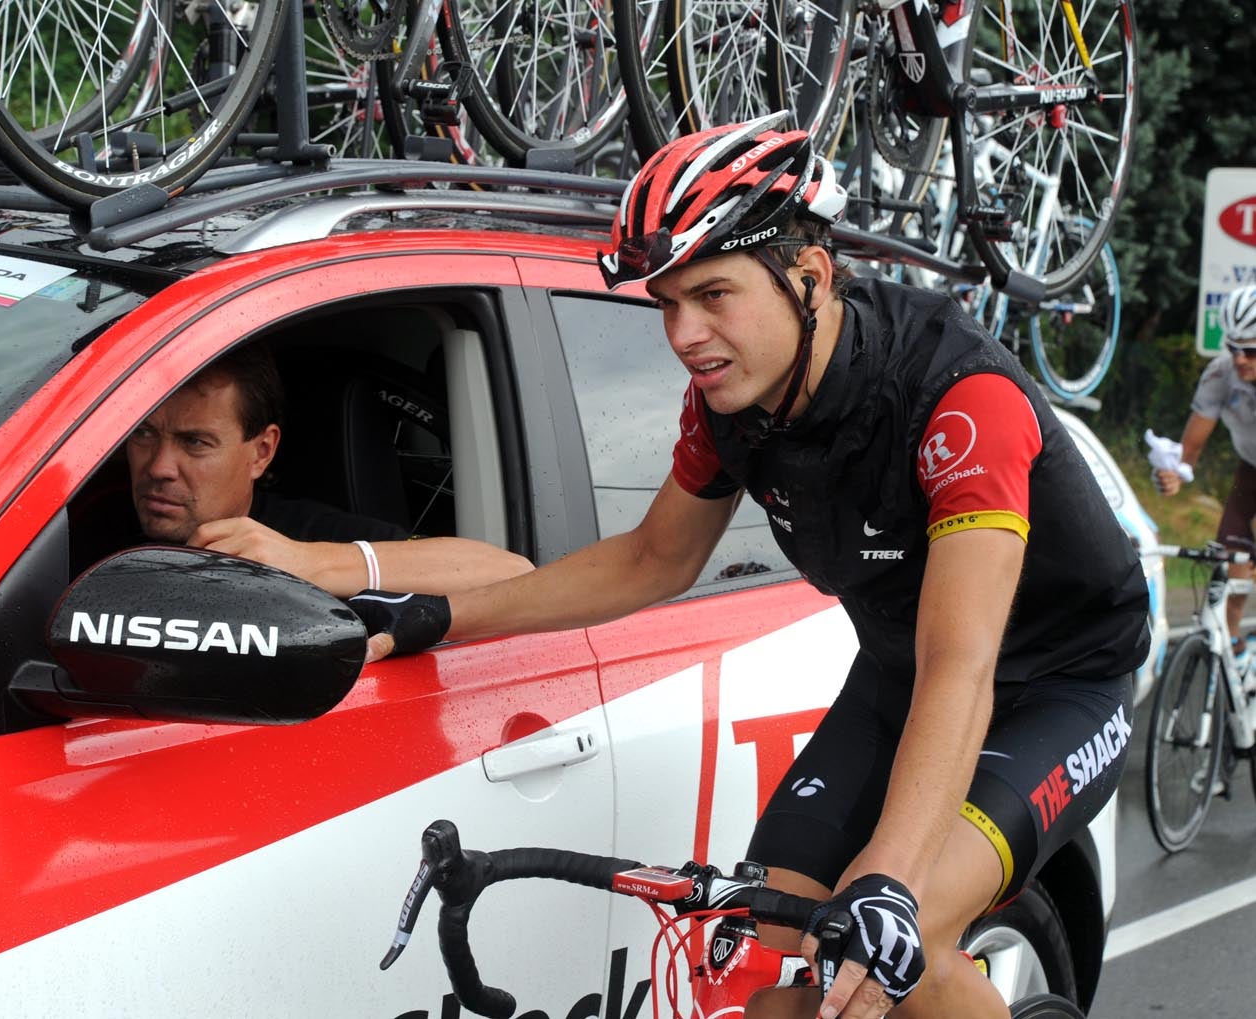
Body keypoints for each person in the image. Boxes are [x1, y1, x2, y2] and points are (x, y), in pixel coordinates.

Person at [349, 115, 1149, 1019]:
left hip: (1054, 686)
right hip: (902, 669)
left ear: (810, 277)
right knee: (772, 948)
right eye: (668, 303)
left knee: (902, 940)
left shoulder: (961, 400)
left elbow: (961, 661)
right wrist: (439, 614)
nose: (685, 334)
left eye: (714, 294)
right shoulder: (732, 406)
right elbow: (649, 560)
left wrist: (887, 874)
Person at [124, 341, 532, 596]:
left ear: (262, 452)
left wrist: (307, 562)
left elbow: (510, 572)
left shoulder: (305, 536)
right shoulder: (87, 509)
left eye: (195, 443)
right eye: (143, 433)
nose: (159, 467)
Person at [1153, 283, 1256, 670]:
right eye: (1232, 348)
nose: (1240, 359)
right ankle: (1236, 654)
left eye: (1250, 351)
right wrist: (1176, 475)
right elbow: (1191, 450)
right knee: (1232, 559)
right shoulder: (1220, 374)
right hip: (1250, 467)